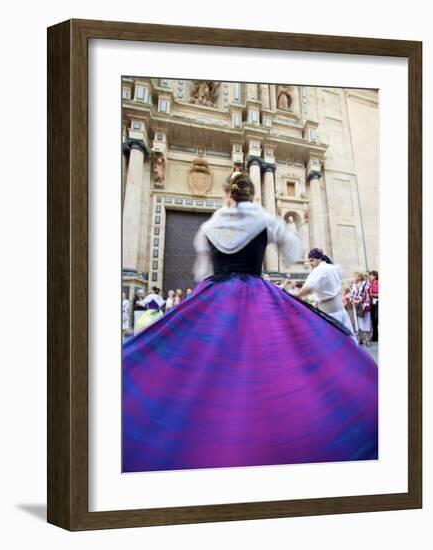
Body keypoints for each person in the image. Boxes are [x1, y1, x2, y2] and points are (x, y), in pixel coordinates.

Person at [122, 170, 378, 473]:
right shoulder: (264, 218)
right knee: (273, 356)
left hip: (215, 296)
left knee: (211, 361)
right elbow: (294, 250)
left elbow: (201, 272)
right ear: (252, 193)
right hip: (257, 293)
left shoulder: (210, 223)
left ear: (227, 194)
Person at [297, 249, 356, 337]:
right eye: (309, 261)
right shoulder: (333, 267)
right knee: (344, 340)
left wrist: (294, 296)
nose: (310, 263)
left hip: (330, 313)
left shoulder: (319, 270)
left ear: (318, 259)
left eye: (312, 260)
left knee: (332, 341)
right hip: (338, 311)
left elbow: (307, 289)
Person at [351, 273, 372, 346]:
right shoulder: (353, 285)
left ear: (359, 277)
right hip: (356, 305)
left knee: (366, 321)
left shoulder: (366, 283)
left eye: (355, 276)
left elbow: (367, 294)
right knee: (358, 323)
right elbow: (351, 294)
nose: (354, 277)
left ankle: (368, 340)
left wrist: (360, 300)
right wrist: (353, 300)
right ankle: (360, 338)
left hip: (364, 304)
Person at [369, 271, 379, 342]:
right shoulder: (370, 284)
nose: (370, 277)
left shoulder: (378, 283)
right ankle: (375, 336)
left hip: (377, 303)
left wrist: (374, 295)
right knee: (373, 321)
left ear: (375, 276)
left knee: (377, 319)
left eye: (371, 276)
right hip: (372, 304)